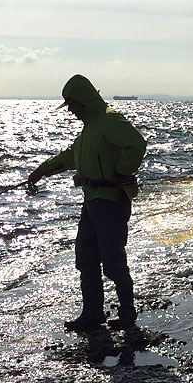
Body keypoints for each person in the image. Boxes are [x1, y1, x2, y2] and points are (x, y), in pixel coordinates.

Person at [27, 74, 147, 331]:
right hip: (92, 202)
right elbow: (70, 157)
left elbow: (136, 144)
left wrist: (122, 172)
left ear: (82, 101)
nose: (69, 110)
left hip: (111, 202)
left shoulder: (109, 121)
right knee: (86, 258)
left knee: (113, 260)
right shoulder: (90, 129)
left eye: (71, 104)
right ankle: (92, 314)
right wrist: (41, 171)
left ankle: (127, 312)